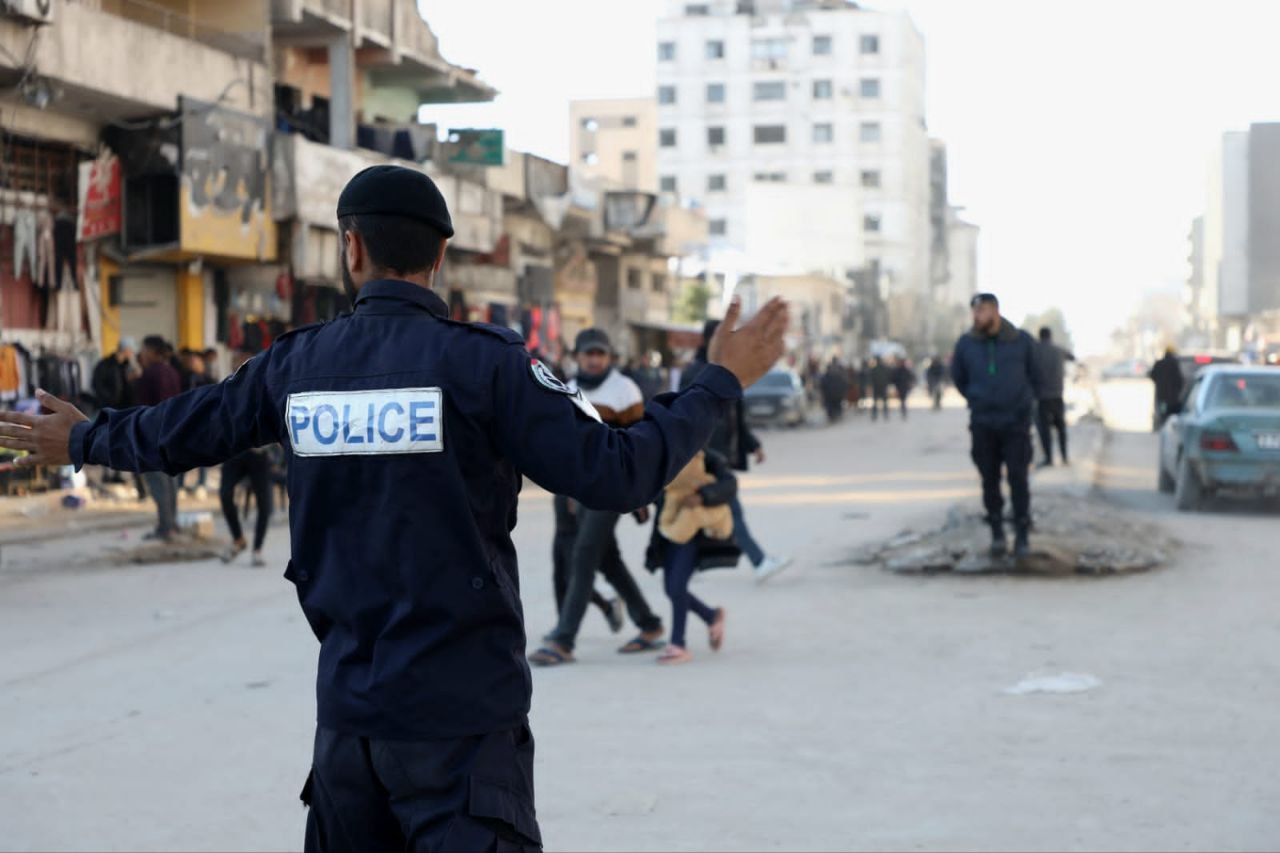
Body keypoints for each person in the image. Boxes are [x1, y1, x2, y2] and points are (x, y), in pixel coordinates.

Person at [0, 164, 789, 853]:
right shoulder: (487, 366)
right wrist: (717, 381)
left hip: (351, 733)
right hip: (463, 733)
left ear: (351, 248)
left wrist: (87, 437)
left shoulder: (294, 366)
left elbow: (187, 428)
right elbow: (619, 472)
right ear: (441, 257)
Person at [530, 328, 668, 666]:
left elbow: (639, 445)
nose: (594, 360)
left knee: (584, 555)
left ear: (609, 357)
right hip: (572, 488)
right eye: (588, 354)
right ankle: (649, 624)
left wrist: (640, 494)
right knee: (606, 559)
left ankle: (563, 640)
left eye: (600, 354)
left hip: (609, 487)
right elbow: (563, 444)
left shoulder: (624, 390)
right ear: (576, 356)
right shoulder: (566, 388)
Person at [681, 320, 791, 583]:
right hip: (706, 457)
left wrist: (753, 445)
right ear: (708, 341)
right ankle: (759, 561)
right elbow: (686, 418)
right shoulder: (695, 373)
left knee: (706, 511)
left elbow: (735, 418)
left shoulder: (728, 371)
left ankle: (683, 566)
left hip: (721, 456)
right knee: (731, 512)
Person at [951, 293, 1040, 559]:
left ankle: (1022, 534)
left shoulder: (1021, 341)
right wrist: (977, 398)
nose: (976, 316)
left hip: (1015, 424)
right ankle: (997, 533)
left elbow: (1035, 375)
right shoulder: (966, 344)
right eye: (974, 311)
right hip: (983, 424)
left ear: (995, 311)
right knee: (989, 479)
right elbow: (959, 378)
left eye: (981, 311)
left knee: (1018, 478)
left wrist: (1023, 404)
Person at [645, 450, 738, 665]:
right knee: (671, 588)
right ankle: (711, 616)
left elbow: (730, 484)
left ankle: (678, 644)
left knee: (676, 586)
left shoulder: (706, 456)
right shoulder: (662, 452)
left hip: (695, 531)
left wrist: (702, 496)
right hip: (668, 527)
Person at [132, 335, 182, 541]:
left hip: (154, 434)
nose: (141, 354)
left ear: (152, 352)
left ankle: (165, 527)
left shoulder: (151, 374)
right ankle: (173, 524)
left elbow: (150, 407)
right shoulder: (171, 372)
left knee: (159, 484)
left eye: (143, 350)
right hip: (173, 433)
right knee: (171, 482)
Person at [1033, 327, 1076, 467]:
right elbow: (1072, 357)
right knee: (1061, 428)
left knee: (1044, 430)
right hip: (1057, 395)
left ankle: (1049, 459)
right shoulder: (1058, 350)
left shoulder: (1035, 350)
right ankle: (1064, 457)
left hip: (1042, 397)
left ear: (1040, 337)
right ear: (1050, 336)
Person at [1149, 346, 1184, 430]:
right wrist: (1177, 390)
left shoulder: (1159, 363)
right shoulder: (1174, 364)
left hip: (1161, 395)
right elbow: (1179, 380)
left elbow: (1152, 375)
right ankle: (1166, 427)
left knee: (1162, 413)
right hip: (1173, 397)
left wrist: (1160, 383)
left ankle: (1161, 425)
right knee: (1170, 415)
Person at [820, 357, 849, 423]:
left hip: (831, 393)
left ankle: (834, 416)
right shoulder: (839, 371)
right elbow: (844, 382)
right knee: (836, 405)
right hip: (836, 393)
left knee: (833, 405)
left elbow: (823, 383)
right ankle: (835, 415)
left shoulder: (831, 373)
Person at [869, 357, 892, 421]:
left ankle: (875, 415)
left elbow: (871, 378)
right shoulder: (884, 368)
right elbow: (888, 377)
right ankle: (885, 414)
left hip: (877, 387)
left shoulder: (875, 369)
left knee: (876, 402)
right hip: (882, 387)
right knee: (883, 402)